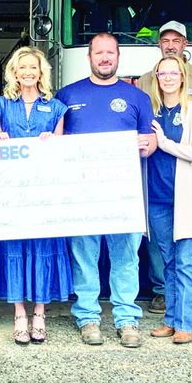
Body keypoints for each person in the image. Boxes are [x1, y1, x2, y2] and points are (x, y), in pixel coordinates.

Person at [55, 32, 155, 348]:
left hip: (124, 195)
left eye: (110, 52)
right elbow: (55, 141)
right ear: (89, 57)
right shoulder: (67, 95)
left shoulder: (137, 97)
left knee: (125, 257)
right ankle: (88, 316)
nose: (105, 58)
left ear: (118, 56)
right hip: (82, 194)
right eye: (99, 53)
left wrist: (148, 144)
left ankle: (126, 319)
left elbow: (150, 141)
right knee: (84, 256)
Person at [0, 47, 72, 345]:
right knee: (15, 247)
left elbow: (62, 153)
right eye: (23, 68)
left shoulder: (56, 108)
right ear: (14, 73)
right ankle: (19, 313)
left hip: (45, 193)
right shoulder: (0, 106)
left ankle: (40, 313)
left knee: (43, 246)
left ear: (41, 71)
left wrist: (53, 141)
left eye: (33, 67)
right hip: (11, 193)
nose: (28, 72)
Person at [136, 20, 192, 320]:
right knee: (160, 246)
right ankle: (164, 293)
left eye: (176, 40)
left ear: (185, 44)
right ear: (159, 45)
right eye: (165, 40)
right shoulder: (145, 81)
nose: (171, 45)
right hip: (156, 180)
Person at [145, 55, 192, 345]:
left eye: (174, 73)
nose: (168, 78)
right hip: (157, 197)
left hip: (185, 197)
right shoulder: (151, 111)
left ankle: (185, 323)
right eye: (163, 74)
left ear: (183, 77)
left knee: (185, 263)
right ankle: (171, 320)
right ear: (157, 78)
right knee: (168, 262)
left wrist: (165, 143)